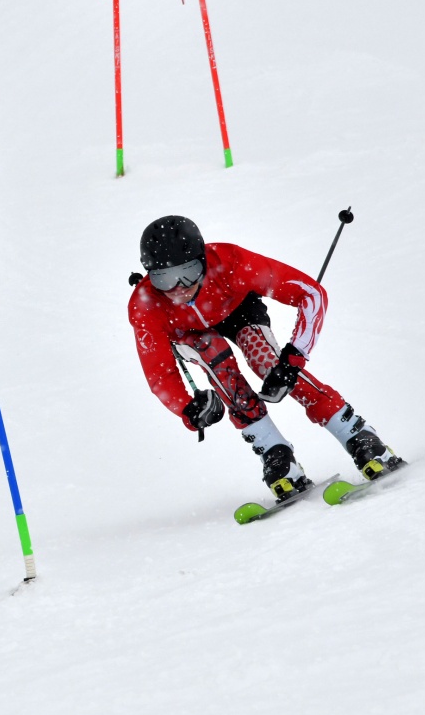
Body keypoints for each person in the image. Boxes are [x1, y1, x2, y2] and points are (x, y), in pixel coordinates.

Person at [127, 214, 403, 508]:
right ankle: (276, 455)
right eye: (163, 278)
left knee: (266, 361)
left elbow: (311, 294)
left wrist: (293, 359)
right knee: (216, 359)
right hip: (190, 334)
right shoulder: (146, 305)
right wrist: (188, 410)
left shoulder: (230, 262)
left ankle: (357, 434)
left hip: (237, 308)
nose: (178, 288)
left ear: (204, 260)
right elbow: (159, 374)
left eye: (188, 272)